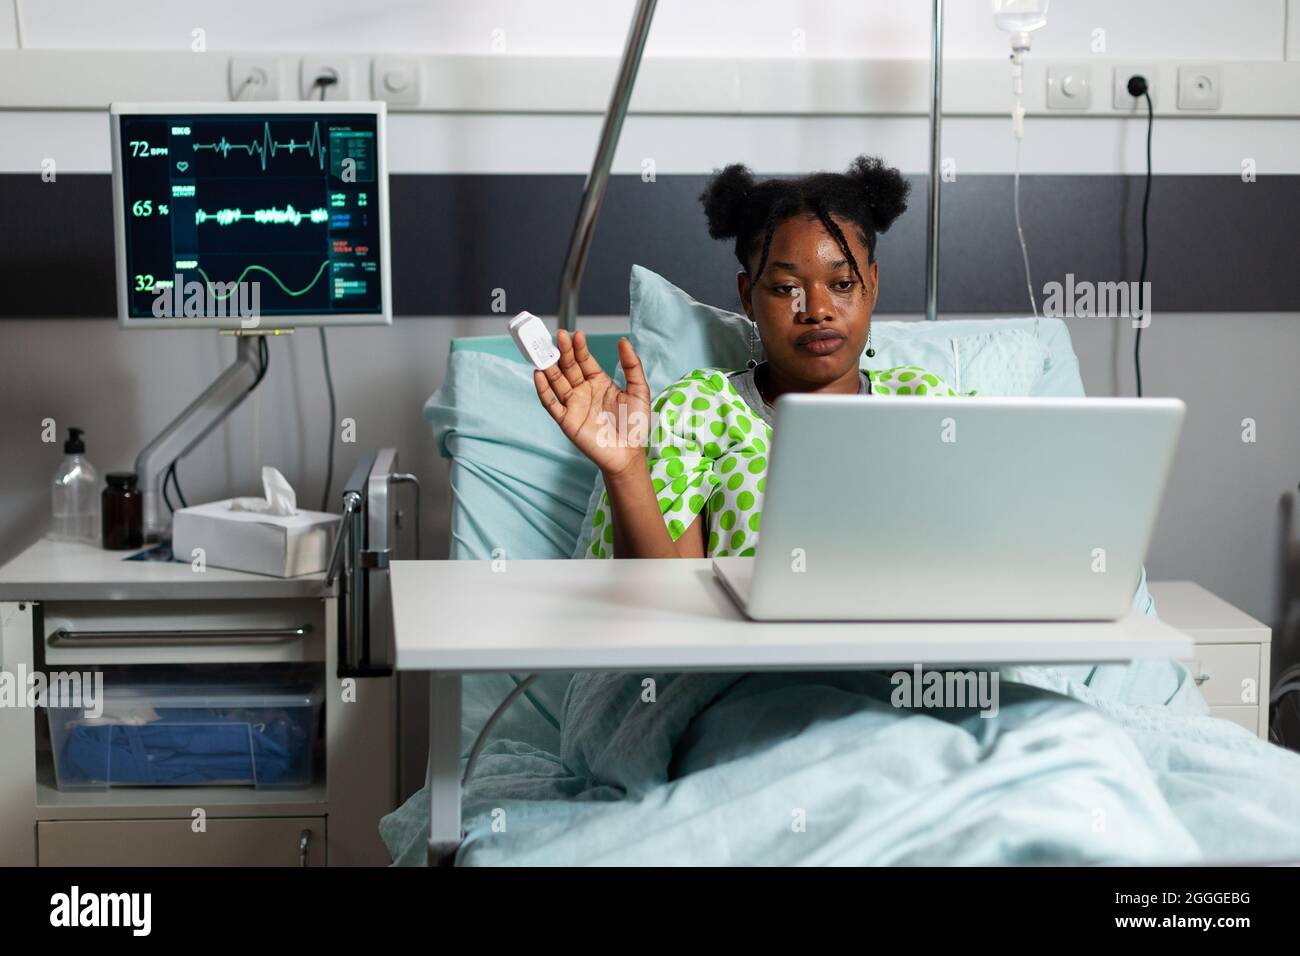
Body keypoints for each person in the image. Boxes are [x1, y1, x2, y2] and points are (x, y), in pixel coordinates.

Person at [533, 155, 959, 558]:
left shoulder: (926, 403)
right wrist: (626, 469)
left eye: (843, 284)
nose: (816, 309)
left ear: (874, 283)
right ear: (747, 298)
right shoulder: (698, 413)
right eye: (785, 288)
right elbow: (662, 599)